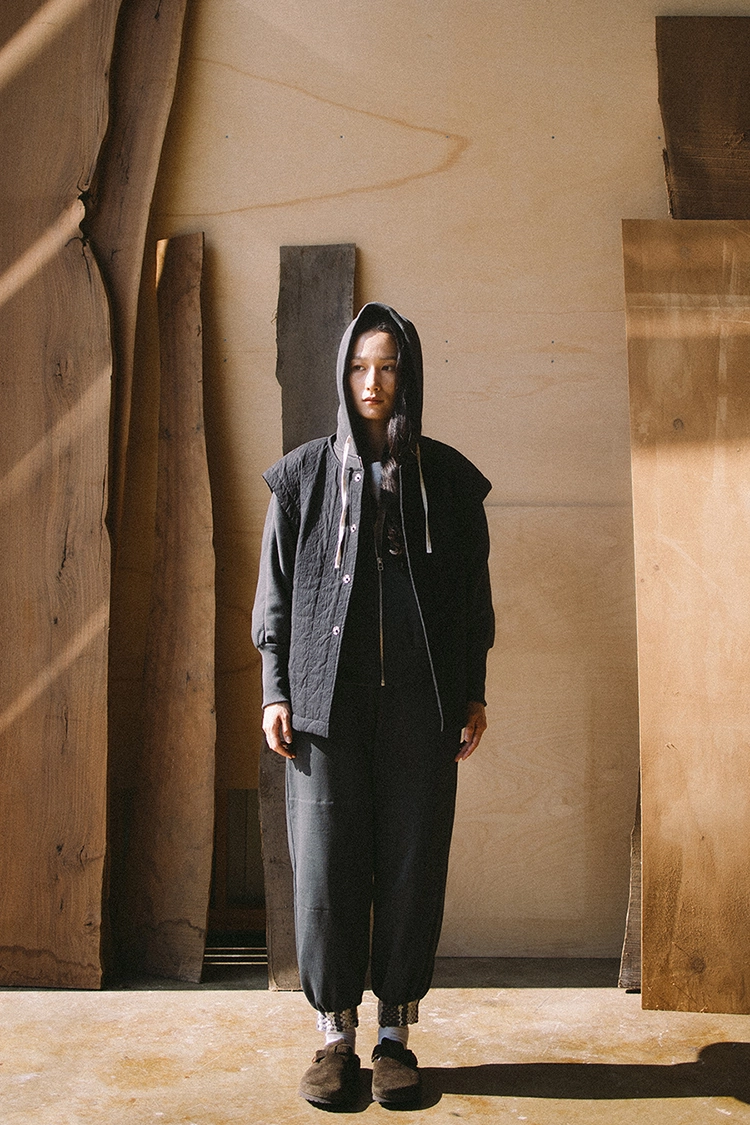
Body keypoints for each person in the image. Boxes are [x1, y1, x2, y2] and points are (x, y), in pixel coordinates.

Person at [252, 302, 494, 1107]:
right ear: (342, 373)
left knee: (411, 860)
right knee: (327, 864)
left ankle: (394, 1034)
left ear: (408, 374)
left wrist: (472, 690)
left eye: (388, 366)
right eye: (360, 366)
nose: (373, 381)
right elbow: (275, 593)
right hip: (326, 707)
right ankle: (334, 1035)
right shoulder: (301, 479)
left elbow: (471, 599)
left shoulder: (449, 482)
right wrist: (276, 688)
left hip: (422, 708)